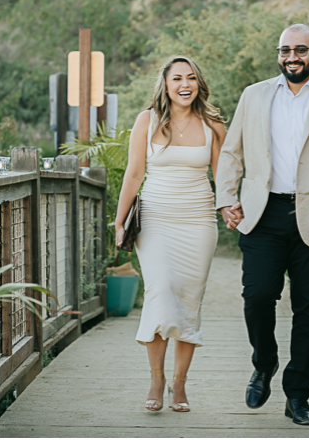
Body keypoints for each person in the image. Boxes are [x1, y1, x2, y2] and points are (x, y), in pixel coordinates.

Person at [215, 22, 309, 427]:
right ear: (278, 53)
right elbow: (232, 152)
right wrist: (226, 198)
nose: (292, 58)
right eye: (285, 50)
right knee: (258, 297)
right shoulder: (254, 95)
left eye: (300, 50)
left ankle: (297, 395)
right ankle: (264, 364)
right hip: (263, 215)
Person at [115, 55, 227, 413]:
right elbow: (134, 175)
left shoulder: (212, 122)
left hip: (199, 221)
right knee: (161, 292)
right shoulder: (146, 121)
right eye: (177, 78)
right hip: (156, 219)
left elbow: (223, 174)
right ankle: (156, 378)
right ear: (165, 84)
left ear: (199, 83)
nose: (185, 84)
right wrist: (119, 223)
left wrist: (232, 207)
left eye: (191, 77)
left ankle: (179, 384)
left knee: (189, 302)